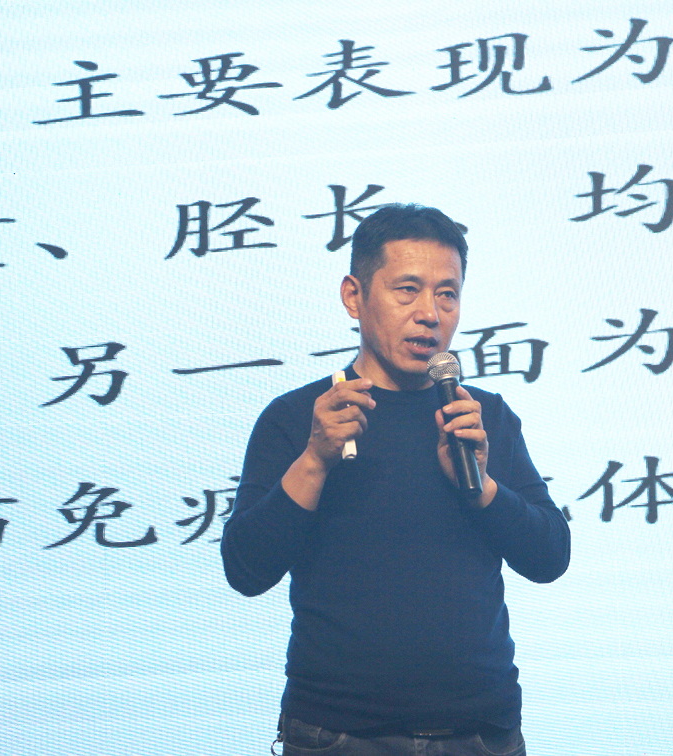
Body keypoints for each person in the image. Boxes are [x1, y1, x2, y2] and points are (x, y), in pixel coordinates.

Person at [220, 204, 570, 756]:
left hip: (480, 732)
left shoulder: (481, 418)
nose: (429, 314)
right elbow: (246, 570)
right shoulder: (299, 419)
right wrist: (315, 460)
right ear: (353, 296)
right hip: (339, 735)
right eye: (407, 290)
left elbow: (550, 557)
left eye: (447, 294)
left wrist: (482, 488)